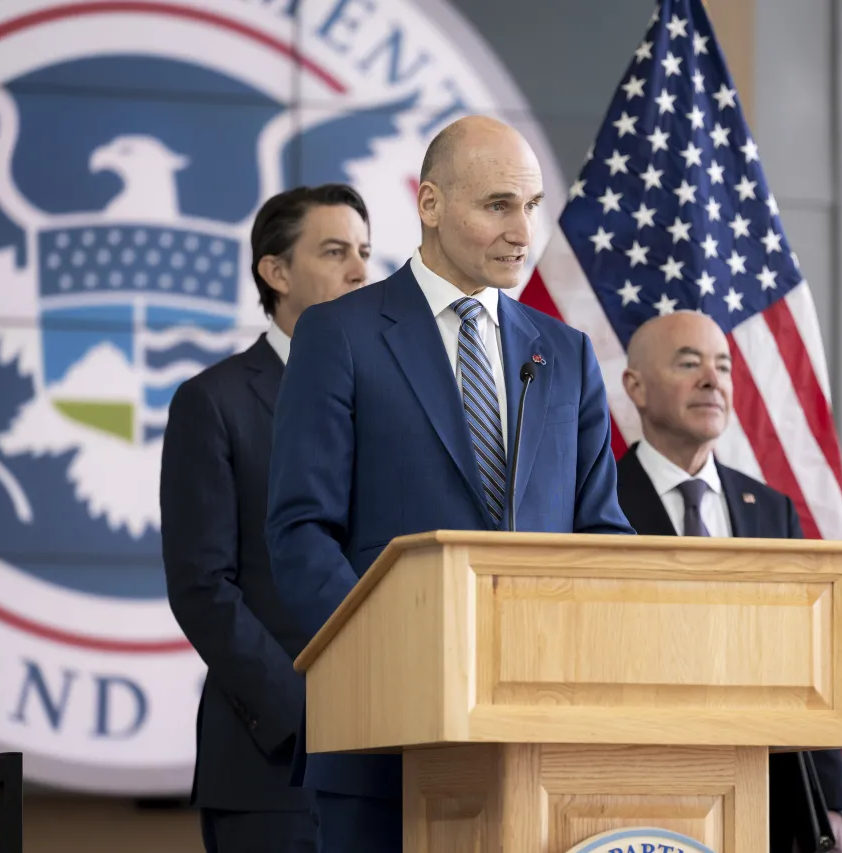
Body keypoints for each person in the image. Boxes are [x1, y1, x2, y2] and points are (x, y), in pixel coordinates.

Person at [265, 114, 634, 850]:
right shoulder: (340, 334)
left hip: (536, 740)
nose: (522, 231)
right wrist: (394, 657)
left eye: (531, 208)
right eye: (497, 205)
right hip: (382, 736)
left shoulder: (565, 354)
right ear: (430, 204)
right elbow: (302, 531)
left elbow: (601, 538)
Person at [160, 183, 373, 853]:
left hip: (392, 751)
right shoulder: (213, 402)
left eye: (366, 252)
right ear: (275, 272)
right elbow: (203, 586)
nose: (361, 271)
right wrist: (308, 717)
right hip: (275, 764)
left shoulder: (390, 400)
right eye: (335, 251)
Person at [615, 310, 842, 853]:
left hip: (765, 797)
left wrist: (831, 802)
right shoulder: (594, 503)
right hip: (638, 795)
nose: (712, 380)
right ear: (636, 387)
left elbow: (808, 660)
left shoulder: (771, 511)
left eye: (722, 366)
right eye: (688, 363)